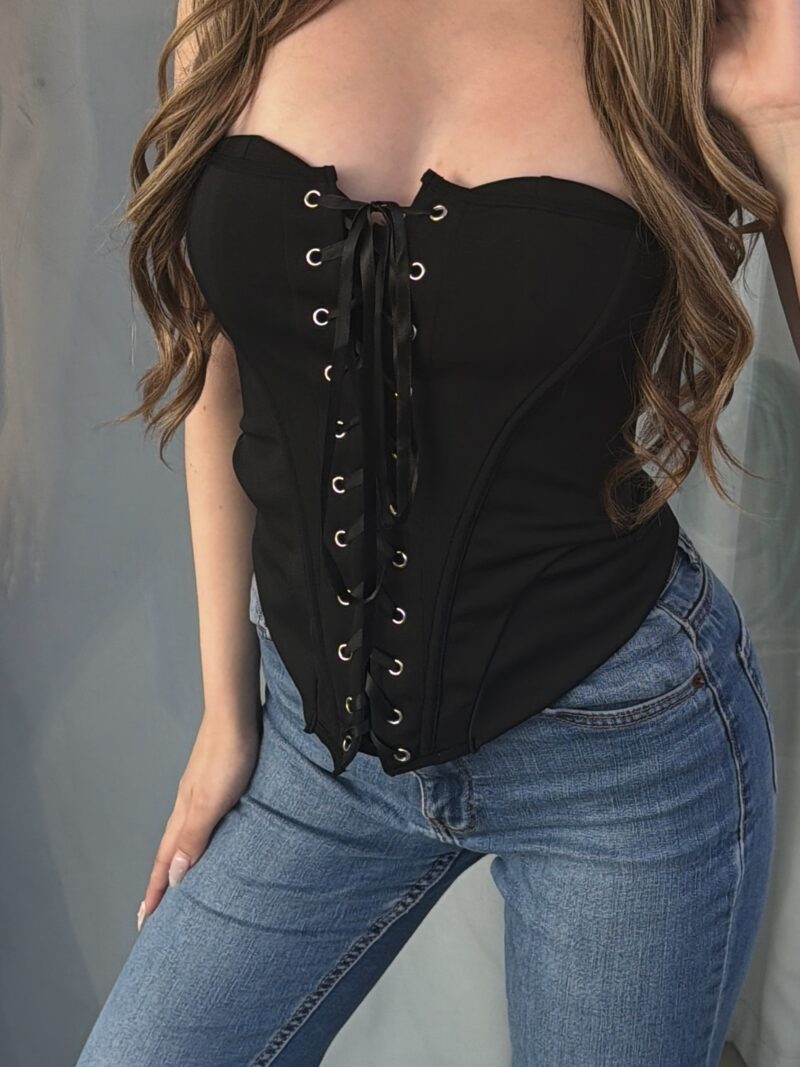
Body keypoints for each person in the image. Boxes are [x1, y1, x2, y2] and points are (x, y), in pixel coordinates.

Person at [77, 1, 799, 1063]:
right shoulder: (233, 9)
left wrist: (779, 116)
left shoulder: (662, 22)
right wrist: (226, 711)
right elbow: (214, 360)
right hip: (314, 751)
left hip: (619, 757)